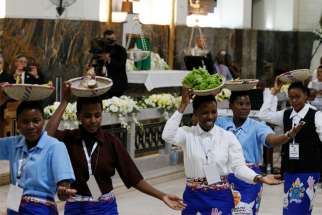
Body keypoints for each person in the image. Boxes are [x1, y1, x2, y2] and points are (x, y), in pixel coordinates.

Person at [45, 83, 186, 215]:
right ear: (78, 116)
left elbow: (134, 178)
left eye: (97, 115)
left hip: (105, 208)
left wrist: (162, 195)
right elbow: (47, 136)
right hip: (76, 207)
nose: (93, 120)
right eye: (87, 116)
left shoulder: (111, 142)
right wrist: (64, 101)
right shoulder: (69, 138)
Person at [162, 88, 282, 215]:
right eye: (204, 113)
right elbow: (167, 135)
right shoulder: (187, 134)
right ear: (195, 113)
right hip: (193, 198)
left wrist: (259, 178)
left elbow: (238, 167)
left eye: (213, 112)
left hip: (220, 198)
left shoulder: (227, 136)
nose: (210, 117)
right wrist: (183, 105)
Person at [215, 91, 304, 214]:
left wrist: (287, 136)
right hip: (223, 176)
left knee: (244, 212)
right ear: (231, 105)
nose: (244, 107)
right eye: (240, 104)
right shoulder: (220, 122)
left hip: (249, 178)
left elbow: (271, 140)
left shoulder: (257, 126)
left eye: (247, 104)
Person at [0, 84, 76, 215]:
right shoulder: (14, 144)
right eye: (25, 122)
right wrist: (1, 101)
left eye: (36, 121)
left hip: (41, 209)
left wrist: (63, 191)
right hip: (14, 205)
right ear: (17, 124)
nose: (31, 126)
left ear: (43, 121)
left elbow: (64, 185)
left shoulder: (55, 146)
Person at [258, 80, 322, 215]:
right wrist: (274, 92)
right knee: (290, 210)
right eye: (291, 97)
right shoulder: (286, 114)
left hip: (308, 171)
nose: (294, 100)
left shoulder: (316, 115)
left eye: (297, 96)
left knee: (297, 209)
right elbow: (263, 115)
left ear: (306, 95)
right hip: (289, 171)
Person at [97, 29, 128, 98]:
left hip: (117, 84)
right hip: (102, 84)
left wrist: (109, 60)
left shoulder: (121, 50)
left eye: (113, 39)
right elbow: (97, 64)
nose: (111, 41)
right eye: (108, 39)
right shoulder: (100, 49)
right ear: (104, 39)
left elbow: (121, 65)